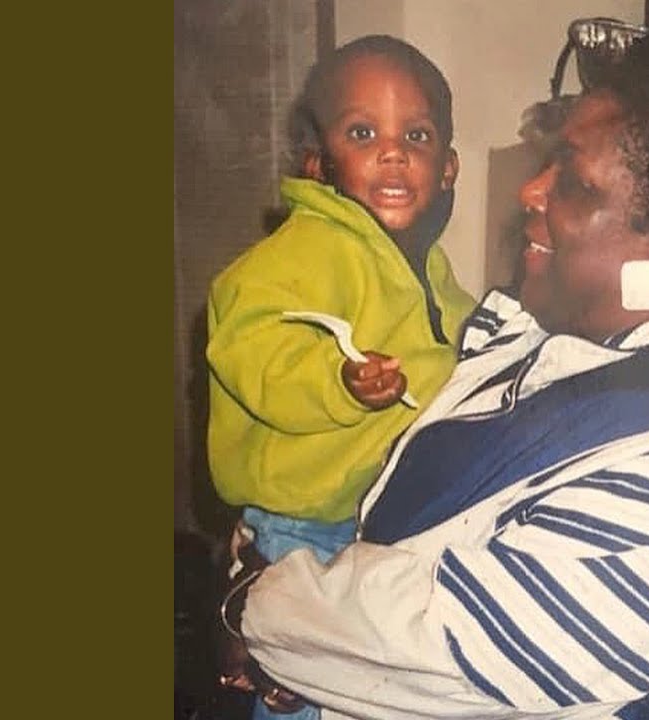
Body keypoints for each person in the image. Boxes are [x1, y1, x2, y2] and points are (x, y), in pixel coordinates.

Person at [222, 27, 649, 719]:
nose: (530, 190)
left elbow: (450, 647)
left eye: (574, 182)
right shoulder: (535, 341)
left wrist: (259, 607)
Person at [204, 34, 476, 719]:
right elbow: (249, 343)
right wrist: (337, 380)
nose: (393, 152)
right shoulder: (307, 248)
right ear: (319, 163)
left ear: (447, 168)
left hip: (375, 524)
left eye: (417, 135)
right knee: (303, 697)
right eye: (362, 133)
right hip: (304, 526)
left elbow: (461, 346)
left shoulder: (428, 267)